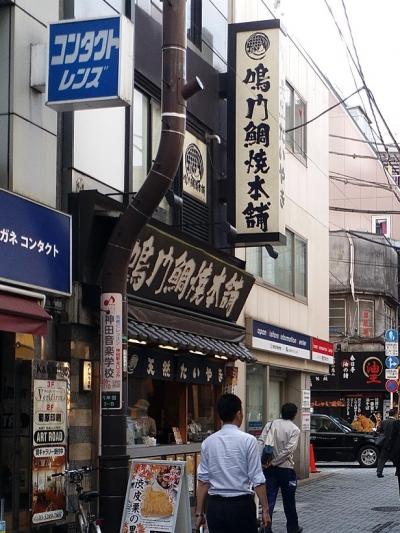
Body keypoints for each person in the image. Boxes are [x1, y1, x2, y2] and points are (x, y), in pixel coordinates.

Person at [195, 393, 271, 533]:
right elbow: (257, 478)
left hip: (215, 506)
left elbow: (203, 481)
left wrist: (199, 513)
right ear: (238, 414)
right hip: (241, 506)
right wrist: (265, 510)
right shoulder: (249, 441)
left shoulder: (208, 442)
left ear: (220, 415)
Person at [259, 403, 302, 533]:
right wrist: (275, 462)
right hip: (286, 469)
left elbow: (261, 442)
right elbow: (289, 450)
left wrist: (263, 462)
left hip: (269, 469)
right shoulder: (294, 429)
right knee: (289, 500)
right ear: (294, 414)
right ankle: (292, 527)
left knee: (269, 500)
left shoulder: (270, 424)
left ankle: (266, 527)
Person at [376, 407, 398, 478]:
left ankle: (379, 471)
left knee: (382, 458)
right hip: (394, 443)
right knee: (397, 458)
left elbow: (378, 430)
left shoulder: (383, 422)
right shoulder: (396, 422)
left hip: (385, 443)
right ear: (395, 414)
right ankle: (397, 472)